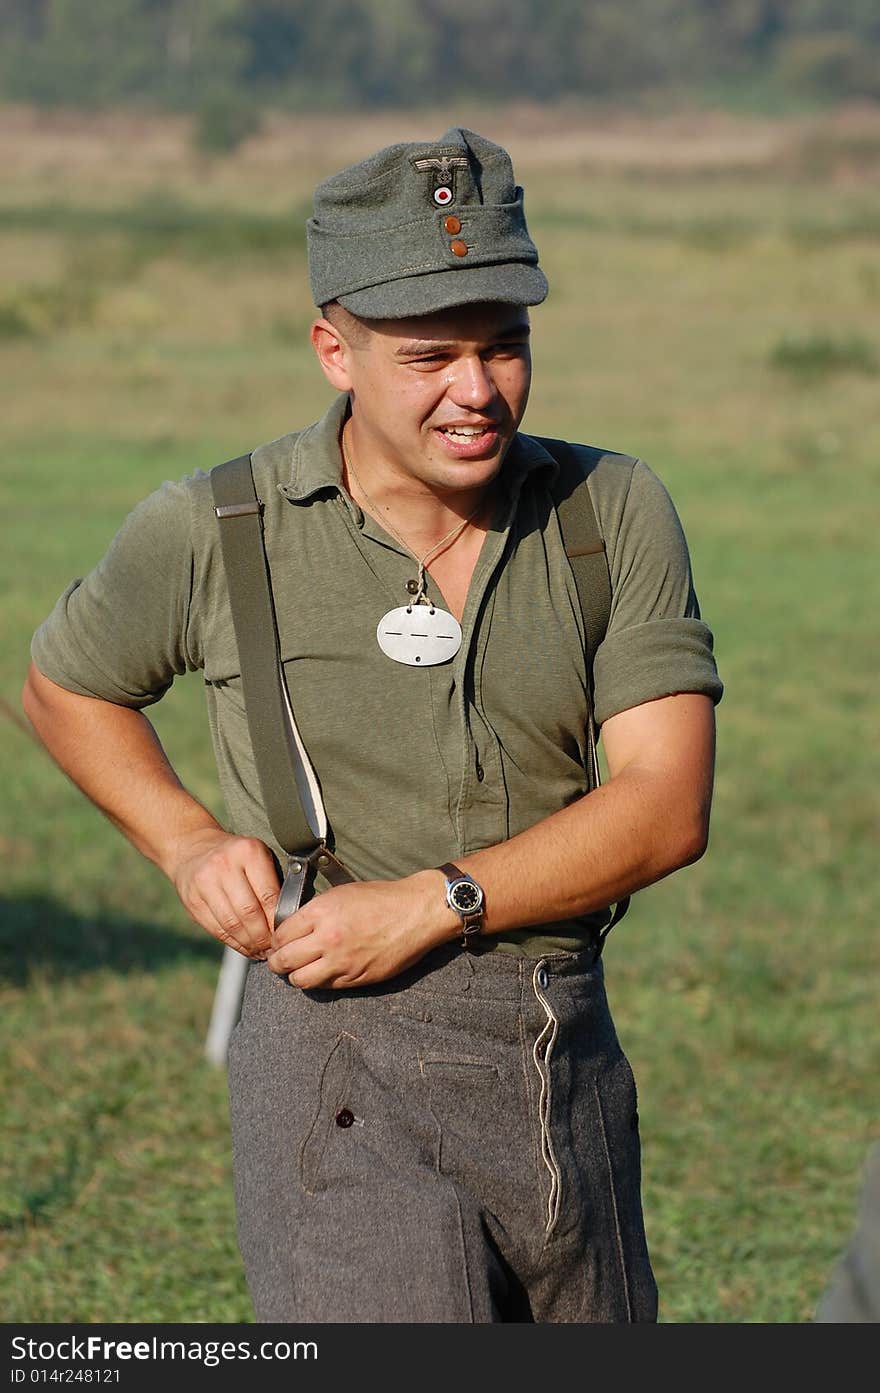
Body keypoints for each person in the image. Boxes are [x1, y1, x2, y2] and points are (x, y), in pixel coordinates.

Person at [22, 126, 722, 1324]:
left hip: (562, 1033)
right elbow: (64, 687)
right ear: (332, 352)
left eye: (505, 349)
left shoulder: (611, 509)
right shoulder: (218, 525)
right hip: (332, 1046)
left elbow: (663, 806)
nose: (476, 390)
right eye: (430, 356)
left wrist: (433, 900)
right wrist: (188, 844)